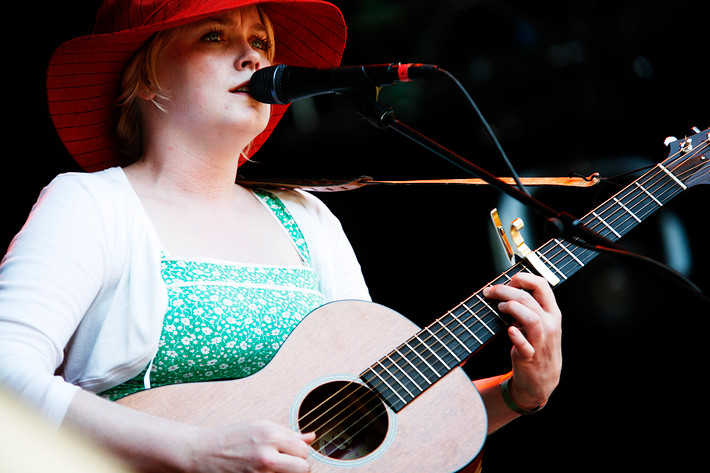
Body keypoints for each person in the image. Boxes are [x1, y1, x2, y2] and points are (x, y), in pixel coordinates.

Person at [0, 1, 562, 472]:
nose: (252, 57)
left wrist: (516, 395)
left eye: (261, 42)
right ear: (145, 75)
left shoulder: (308, 220)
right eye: (214, 35)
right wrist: (197, 451)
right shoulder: (93, 204)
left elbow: (379, 429)